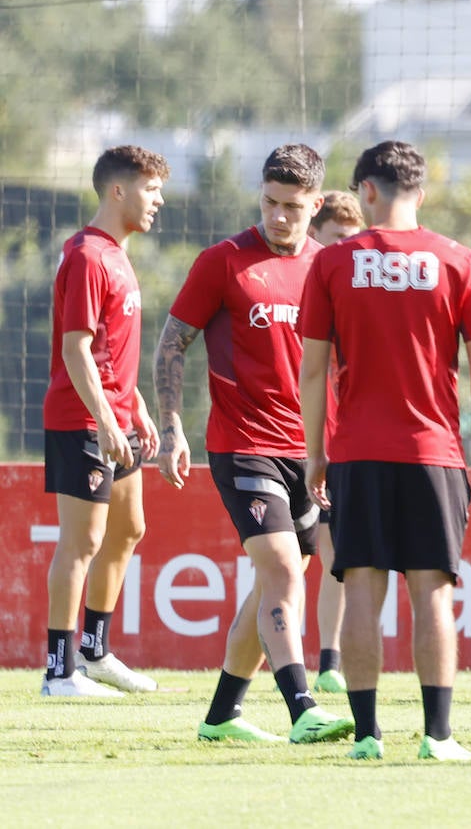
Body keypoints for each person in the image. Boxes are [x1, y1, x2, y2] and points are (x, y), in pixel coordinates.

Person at [300, 141, 471, 762]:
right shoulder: (458, 260)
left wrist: (316, 454)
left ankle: (367, 736)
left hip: (357, 451)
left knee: (361, 587)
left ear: (366, 192)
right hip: (434, 453)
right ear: (420, 193)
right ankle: (437, 737)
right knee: (433, 592)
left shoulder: (333, 264)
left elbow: (312, 372)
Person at [155, 145, 354, 745]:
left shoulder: (330, 267)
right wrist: (169, 428)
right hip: (242, 446)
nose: (279, 216)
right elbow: (170, 344)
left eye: (293, 207)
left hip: (311, 453)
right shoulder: (222, 261)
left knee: (271, 587)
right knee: (282, 570)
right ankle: (302, 709)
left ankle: (221, 715)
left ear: (315, 205)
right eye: (269, 202)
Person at [41, 145, 168, 698]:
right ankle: (57, 671)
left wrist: (135, 406)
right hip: (82, 420)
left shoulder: (117, 254)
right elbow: (76, 351)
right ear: (119, 190)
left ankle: (95, 652)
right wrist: (105, 421)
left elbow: (111, 352)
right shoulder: (89, 256)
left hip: (115, 416)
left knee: (129, 528)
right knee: (82, 541)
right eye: (152, 189)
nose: (159, 201)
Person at [304, 190, 367, 694]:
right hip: (297, 440)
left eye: (354, 238)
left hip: (346, 441)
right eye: (337, 239)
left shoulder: (360, 289)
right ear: (314, 237)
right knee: (300, 556)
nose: (348, 247)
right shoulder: (304, 281)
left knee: (337, 554)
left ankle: (330, 662)